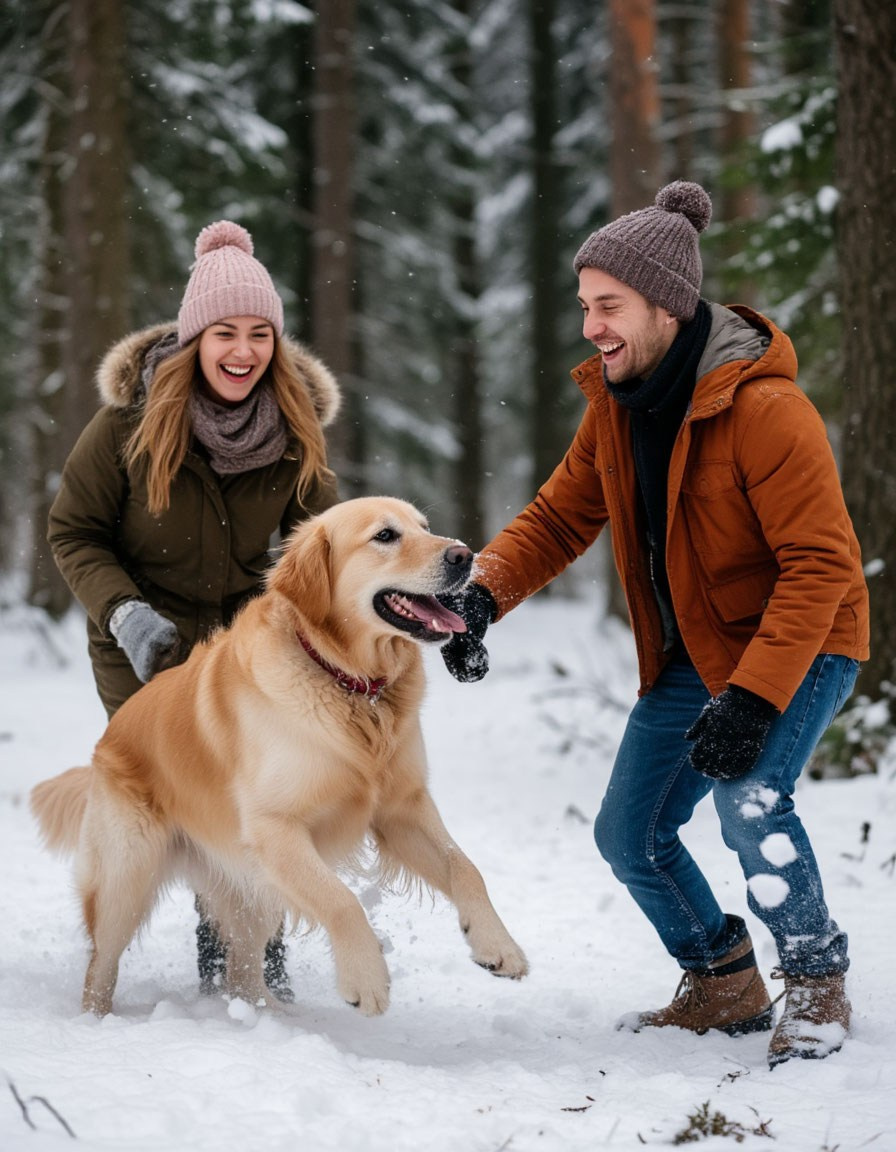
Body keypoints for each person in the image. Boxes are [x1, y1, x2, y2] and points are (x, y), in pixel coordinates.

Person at [439, 181, 870, 1069]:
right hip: (698, 649)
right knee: (629, 837)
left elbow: (822, 568)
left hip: (804, 641)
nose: (592, 326)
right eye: (585, 305)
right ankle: (722, 980)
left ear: (667, 306)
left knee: (748, 803)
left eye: (610, 306)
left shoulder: (765, 410)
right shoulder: (614, 404)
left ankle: (818, 983)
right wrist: (477, 597)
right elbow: (558, 520)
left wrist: (753, 698)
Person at [48, 219, 342, 1001]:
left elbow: (325, 549)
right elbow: (73, 532)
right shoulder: (124, 427)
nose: (242, 352)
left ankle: (249, 958)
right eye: (223, 333)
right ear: (192, 339)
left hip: (249, 654)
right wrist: (125, 613)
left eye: (257, 334)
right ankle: (139, 922)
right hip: (143, 644)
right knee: (184, 794)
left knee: (258, 795)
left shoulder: (296, 433)